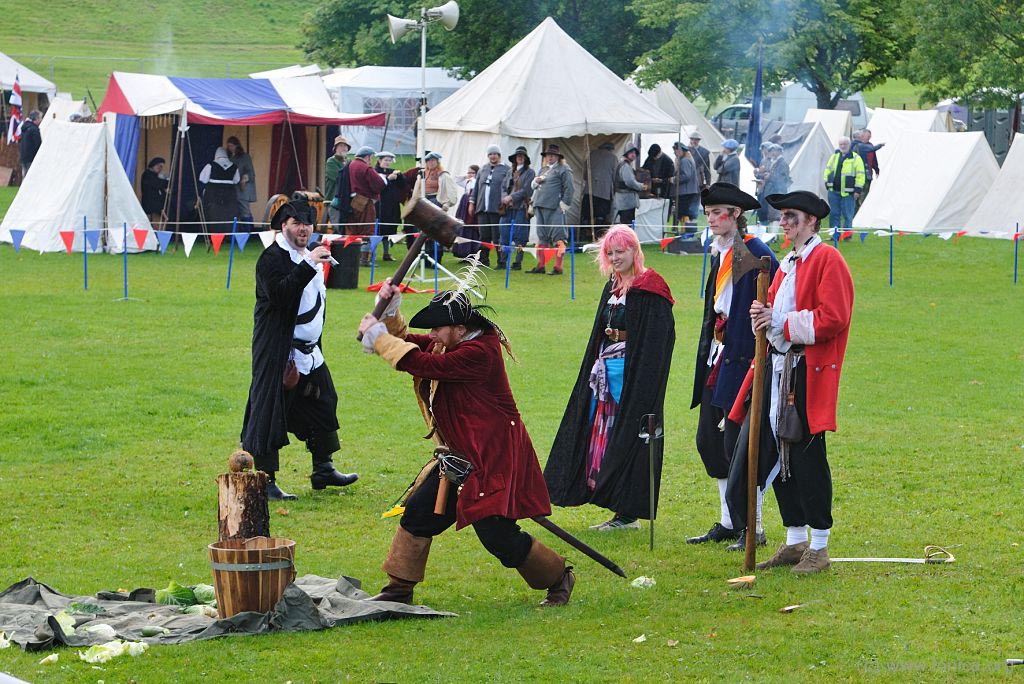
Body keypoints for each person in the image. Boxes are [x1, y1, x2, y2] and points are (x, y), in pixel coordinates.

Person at [357, 285, 576, 607]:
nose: (432, 334)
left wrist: (378, 338)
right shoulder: (454, 342)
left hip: (492, 459)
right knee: (418, 515)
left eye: (438, 328)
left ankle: (558, 578)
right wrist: (389, 314)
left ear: (460, 329)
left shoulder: (479, 353)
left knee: (497, 537)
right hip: (459, 458)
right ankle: (398, 590)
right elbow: (416, 346)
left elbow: (425, 365)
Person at [737, 190, 854, 574]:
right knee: (780, 455)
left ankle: (819, 546)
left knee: (805, 454)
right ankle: (795, 538)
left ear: (811, 221)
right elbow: (775, 313)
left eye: (791, 217)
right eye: (783, 217)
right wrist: (763, 316)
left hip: (807, 370)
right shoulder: (787, 263)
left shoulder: (827, 259)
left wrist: (779, 321)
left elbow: (832, 317)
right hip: (779, 366)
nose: (784, 223)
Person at [544, 225, 675, 531]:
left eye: (621, 251)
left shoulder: (651, 287)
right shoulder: (613, 286)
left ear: (634, 251)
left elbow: (659, 340)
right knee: (602, 436)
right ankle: (614, 505)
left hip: (633, 377)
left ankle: (627, 513)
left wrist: (645, 383)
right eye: (610, 253)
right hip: (604, 373)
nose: (616, 258)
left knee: (627, 435)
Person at [240, 199, 359, 500]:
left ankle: (323, 469)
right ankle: (265, 481)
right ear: (284, 226)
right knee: (269, 411)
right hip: (278, 351)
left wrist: (312, 262)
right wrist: (309, 265)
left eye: (307, 223)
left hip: (310, 351)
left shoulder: (311, 255)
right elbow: (281, 295)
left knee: (324, 400)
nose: (303, 229)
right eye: (296, 223)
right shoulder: (271, 259)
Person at [688, 182, 778, 551]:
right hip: (718, 355)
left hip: (743, 358)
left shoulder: (755, 253)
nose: (711, 219)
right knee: (709, 440)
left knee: (739, 444)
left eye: (717, 213)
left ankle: (752, 526)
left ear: (736, 215)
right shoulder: (722, 253)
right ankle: (728, 521)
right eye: (708, 213)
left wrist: (751, 362)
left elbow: (758, 313)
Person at [528, 144, 574, 275]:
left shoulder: (564, 169)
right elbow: (535, 187)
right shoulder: (543, 170)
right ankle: (541, 265)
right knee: (542, 237)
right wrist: (535, 182)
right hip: (540, 206)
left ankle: (558, 267)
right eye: (548, 155)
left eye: (553, 155)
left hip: (555, 208)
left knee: (558, 236)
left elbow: (569, 188)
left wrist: (564, 205)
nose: (550, 157)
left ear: (558, 157)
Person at [410, 152, 458, 261]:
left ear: (437, 161)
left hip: (436, 202)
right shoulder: (422, 174)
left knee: (436, 231)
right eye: (428, 161)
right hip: (423, 203)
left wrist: (446, 204)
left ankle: (436, 259)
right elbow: (417, 189)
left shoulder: (443, 175)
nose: (431, 163)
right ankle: (425, 258)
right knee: (423, 231)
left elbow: (451, 192)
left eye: (433, 160)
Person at [470, 145, 511, 267]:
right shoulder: (483, 169)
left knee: (498, 237)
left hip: (497, 209)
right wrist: (472, 203)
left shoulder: (506, 170)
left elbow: (509, 188)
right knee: (484, 236)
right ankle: (483, 260)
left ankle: (501, 262)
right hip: (483, 208)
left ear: (499, 155)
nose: (493, 156)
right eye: (490, 154)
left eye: (495, 154)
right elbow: (476, 188)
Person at [347, 147, 386, 266]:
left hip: (353, 200)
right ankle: (364, 259)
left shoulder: (352, 164)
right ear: (368, 156)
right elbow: (378, 184)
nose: (371, 159)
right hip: (364, 200)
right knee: (367, 229)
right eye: (371, 157)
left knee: (355, 229)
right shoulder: (365, 167)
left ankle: (353, 257)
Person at [498, 146, 535, 271]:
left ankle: (517, 262)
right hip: (508, 208)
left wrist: (511, 197)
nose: (519, 157)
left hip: (521, 207)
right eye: (517, 156)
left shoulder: (530, 173)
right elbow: (503, 187)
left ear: (525, 158)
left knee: (521, 236)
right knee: (504, 235)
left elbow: (527, 190)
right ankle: (503, 262)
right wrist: (505, 197)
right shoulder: (510, 172)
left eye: (521, 156)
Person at [823, 137, 865, 231]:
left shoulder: (856, 158)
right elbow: (827, 170)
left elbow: (860, 175)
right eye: (841, 144)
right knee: (834, 214)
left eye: (845, 144)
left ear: (849, 145)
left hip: (848, 192)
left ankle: (847, 235)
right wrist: (826, 182)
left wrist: (857, 190)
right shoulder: (834, 156)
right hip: (833, 191)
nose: (843, 146)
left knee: (848, 215)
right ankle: (834, 235)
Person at [580, 141, 618, 241]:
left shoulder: (591, 154)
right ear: (610, 149)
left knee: (586, 216)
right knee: (601, 216)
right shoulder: (613, 158)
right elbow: (615, 177)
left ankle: (582, 237)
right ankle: (598, 238)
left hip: (589, 191)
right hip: (604, 193)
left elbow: (584, 174)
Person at [198, 147, 240, 230]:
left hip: (213, 192)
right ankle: (227, 234)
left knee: (213, 213)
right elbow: (236, 180)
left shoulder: (211, 164)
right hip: (229, 192)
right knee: (228, 213)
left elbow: (203, 179)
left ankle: (213, 234)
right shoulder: (234, 166)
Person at [375, 151, 406, 262]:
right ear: (379, 160)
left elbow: (402, 185)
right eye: (385, 160)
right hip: (380, 205)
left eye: (389, 160)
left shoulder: (392, 172)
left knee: (389, 229)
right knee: (378, 229)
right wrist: (388, 179)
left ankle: (386, 253)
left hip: (392, 205)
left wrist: (400, 176)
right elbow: (378, 186)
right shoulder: (375, 172)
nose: (388, 163)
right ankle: (369, 254)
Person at [612, 145, 647, 226]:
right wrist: (641, 186)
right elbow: (630, 182)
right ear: (626, 154)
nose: (633, 155)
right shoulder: (625, 166)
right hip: (626, 201)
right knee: (627, 225)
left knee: (624, 224)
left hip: (623, 199)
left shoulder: (623, 164)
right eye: (631, 152)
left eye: (634, 153)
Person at [226, 136, 256, 226]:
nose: (230, 148)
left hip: (244, 188)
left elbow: (251, 172)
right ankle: (241, 230)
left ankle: (248, 231)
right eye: (229, 146)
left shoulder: (245, 157)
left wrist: (244, 178)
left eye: (232, 146)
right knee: (238, 210)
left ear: (237, 146)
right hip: (234, 187)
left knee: (244, 209)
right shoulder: (230, 157)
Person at [452, 165, 480, 260]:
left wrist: (473, 177)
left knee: (471, 228)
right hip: (464, 205)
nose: (470, 174)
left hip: (472, 204)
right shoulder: (467, 181)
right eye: (469, 172)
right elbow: (456, 179)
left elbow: (474, 188)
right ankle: (463, 252)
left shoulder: (477, 182)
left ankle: (473, 252)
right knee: (463, 228)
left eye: (472, 172)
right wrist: (466, 176)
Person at [850, 129, 884, 206]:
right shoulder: (857, 146)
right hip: (858, 176)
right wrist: (880, 145)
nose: (869, 137)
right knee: (859, 197)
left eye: (870, 136)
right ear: (862, 136)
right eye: (867, 136)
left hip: (867, 175)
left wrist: (876, 170)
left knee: (863, 196)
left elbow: (873, 159)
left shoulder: (869, 145)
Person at [671, 142, 699, 229]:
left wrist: (674, 179)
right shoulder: (687, 159)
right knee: (685, 213)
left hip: (685, 192)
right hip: (688, 191)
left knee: (683, 213)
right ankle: (685, 233)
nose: (675, 153)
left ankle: (685, 233)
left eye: (675, 151)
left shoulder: (685, 160)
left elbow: (686, 175)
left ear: (680, 151)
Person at [325, 135, 351, 227]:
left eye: (345, 146)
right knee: (336, 226)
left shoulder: (349, 162)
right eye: (340, 146)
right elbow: (337, 177)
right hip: (333, 200)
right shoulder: (331, 162)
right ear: (335, 148)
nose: (343, 148)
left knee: (344, 225)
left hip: (346, 199)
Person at [763, 145, 792, 226]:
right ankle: (773, 235)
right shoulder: (776, 161)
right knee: (772, 215)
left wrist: (770, 176)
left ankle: (774, 235)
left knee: (775, 215)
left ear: (779, 151)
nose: (772, 153)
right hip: (773, 191)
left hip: (778, 191)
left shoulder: (782, 163)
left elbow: (782, 179)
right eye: (771, 151)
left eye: (774, 150)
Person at [140, 157, 169, 222]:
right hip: (151, 206)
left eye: (161, 167)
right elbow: (158, 183)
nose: (160, 168)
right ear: (153, 165)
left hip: (158, 206)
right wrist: (168, 182)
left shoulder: (155, 175)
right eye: (158, 166)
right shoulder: (147, 174)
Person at [18, 110, 42, 178]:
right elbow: (38, 145)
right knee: (30, 178)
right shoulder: (34, 129)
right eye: (40, 118)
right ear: (36, 119)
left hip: (23, 157)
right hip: (31, 158)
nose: (41, 120)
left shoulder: (24, 128)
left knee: (24, 177)